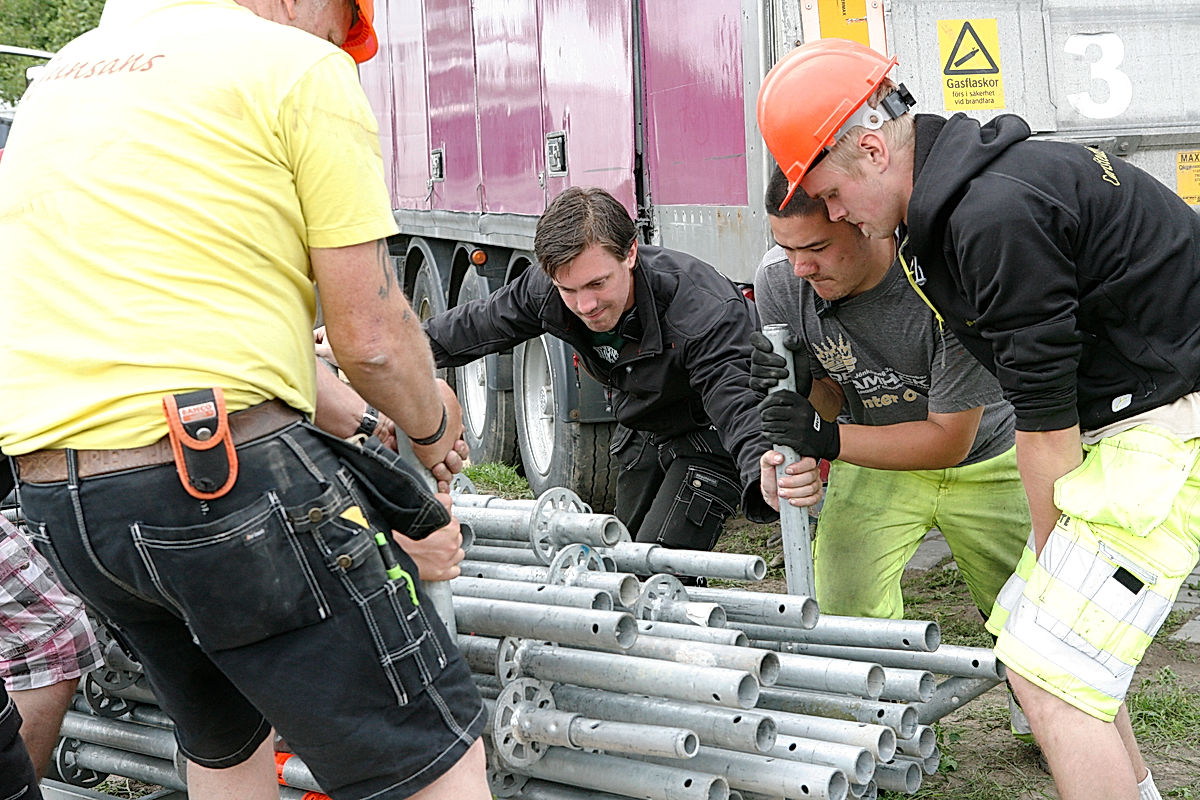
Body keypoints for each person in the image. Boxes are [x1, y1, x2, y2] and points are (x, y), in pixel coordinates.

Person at [0, 1, 489, 798]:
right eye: (339, 29)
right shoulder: (294, 69)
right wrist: (429, 424)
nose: (339, 50)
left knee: (227, 742)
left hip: (60, 500)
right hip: (210, 486)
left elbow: (224, 333)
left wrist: (365, 421)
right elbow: (367, 334)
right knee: (430, 751)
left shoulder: (63, 79)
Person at [756, 37, 1200, 800]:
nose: (835, 215)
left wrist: (1052, 555)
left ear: (869, 148)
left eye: (829, 197)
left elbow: (1044, 424)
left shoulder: (992, 214)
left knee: (1052, 672)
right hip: (1134, 423)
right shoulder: (955, 206)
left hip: (1167, 428)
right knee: (1051, 655)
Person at [422, 185, 788, 551]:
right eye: (570, 289)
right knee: (619, 554)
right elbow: (476, 325)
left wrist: (761, 471)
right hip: (645, 424)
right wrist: (396, 358)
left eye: (598, 284)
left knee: (657, 567)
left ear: (630, 254)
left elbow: (736, 399)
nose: (585, 305)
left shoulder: (701, 310)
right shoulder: (550, 292)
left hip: (708, 430)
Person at [752, 165, 1030, 624]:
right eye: (787, 247)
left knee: (1033, 621)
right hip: (876, 456)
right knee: (844, 615)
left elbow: (948, 440)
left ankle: (1034, 692)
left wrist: (825, 438)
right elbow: (831, 401)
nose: (801, 267)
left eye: (817, 247)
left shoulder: (944, 276)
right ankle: (880, 696)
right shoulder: (782, 279)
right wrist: (804, 393)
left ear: (867, 225)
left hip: (988, 456)